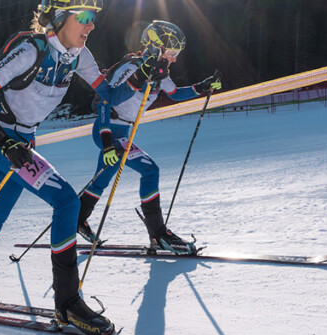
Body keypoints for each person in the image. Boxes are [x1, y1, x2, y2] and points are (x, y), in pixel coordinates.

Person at [0, 0, 115, 335]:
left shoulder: (79, 55)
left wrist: (144, 74)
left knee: (1, 206)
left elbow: (108, 90)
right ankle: (67, 303)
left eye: (94, 16)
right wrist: (3, 141)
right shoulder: (31, 51)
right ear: (60, 17)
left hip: (25, 139)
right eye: (84, 16)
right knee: (66, 202)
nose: (92, 24)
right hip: (2, 140)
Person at [79, 20, 221, 253]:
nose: (175, 58)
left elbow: (174, 94)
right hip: (108, 130)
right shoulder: (131, 67)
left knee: (103, 177)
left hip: (123, 131)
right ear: (157, 48)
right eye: (173, 52)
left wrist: (202, 87)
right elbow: (105, 100)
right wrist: (106, 143)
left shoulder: (160, 73)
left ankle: (78, 218)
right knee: (150, 169)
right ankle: (157, 233)